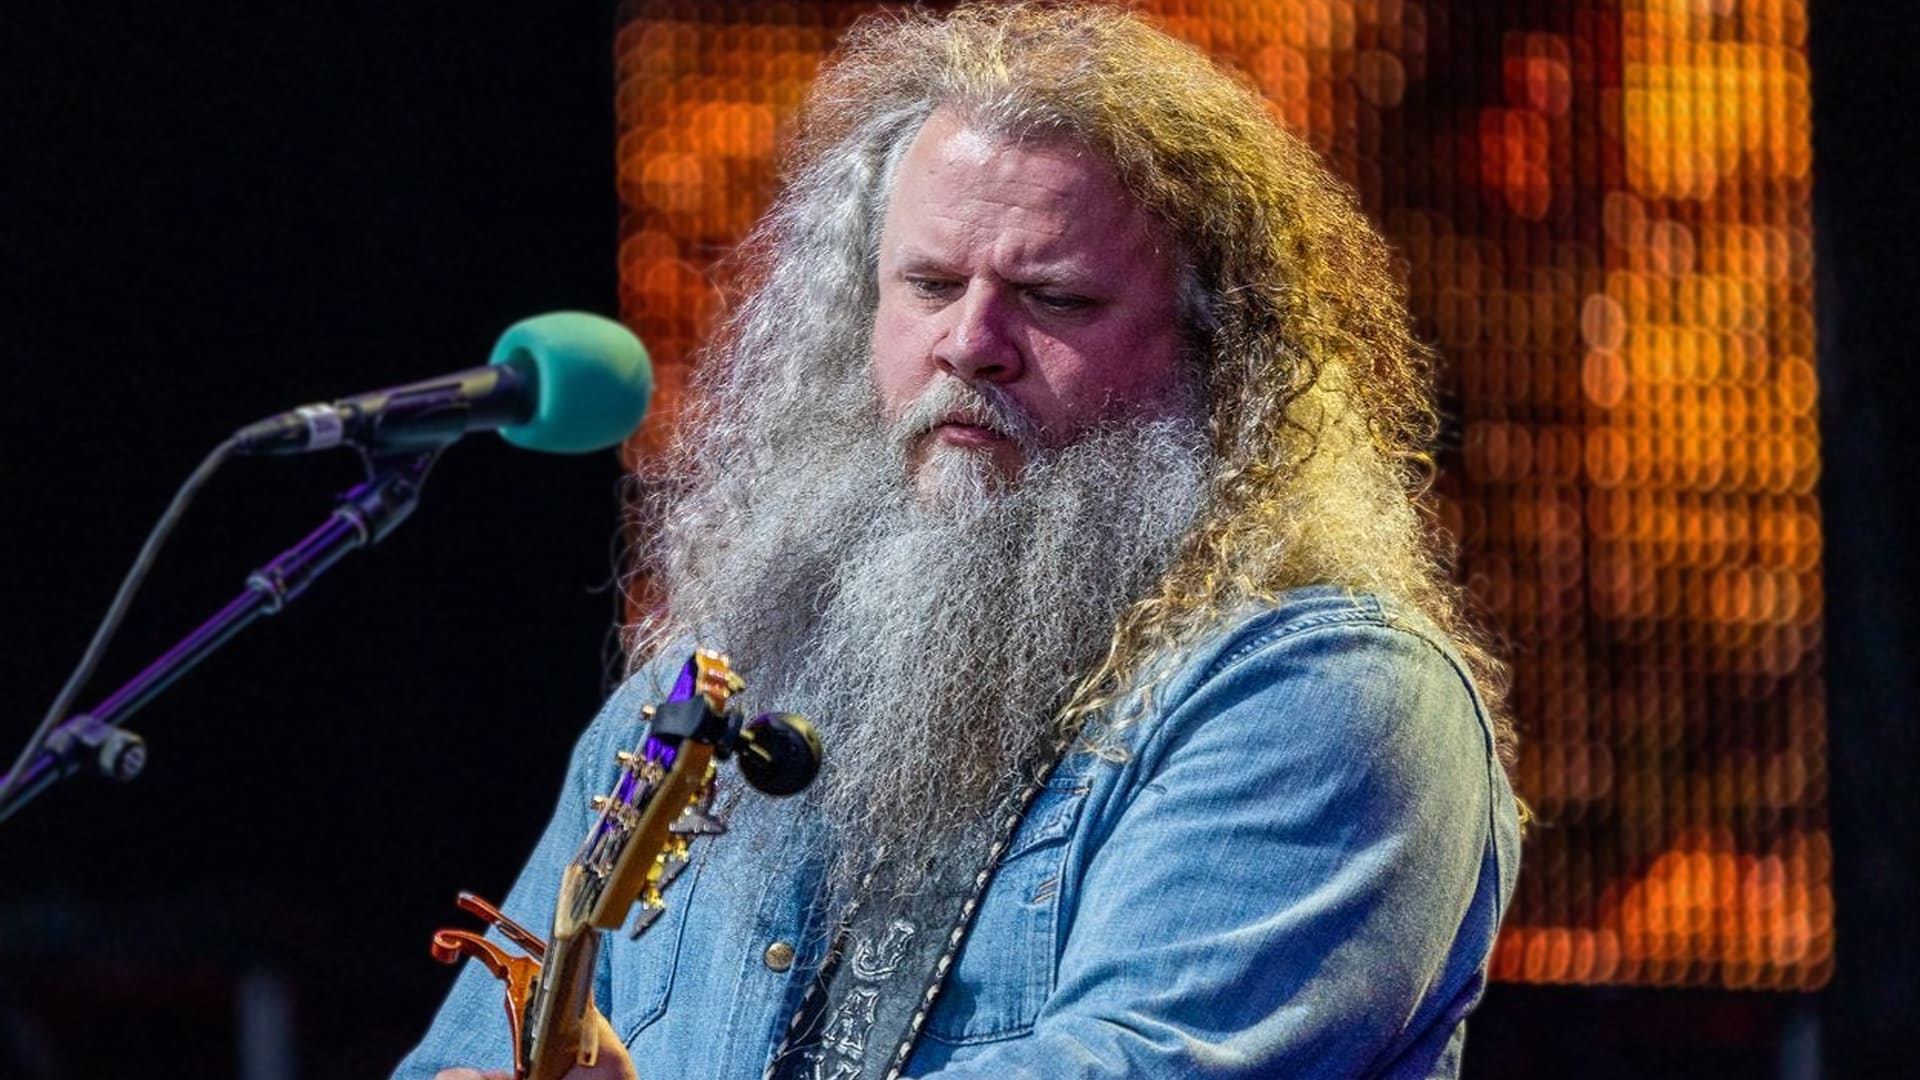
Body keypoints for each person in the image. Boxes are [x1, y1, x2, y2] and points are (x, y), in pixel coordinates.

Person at [400, 3, 1520, 1078]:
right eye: (930, 284)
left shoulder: (1326, 695)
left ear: (1220, 358)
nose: (970, 344)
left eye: (1056, 299)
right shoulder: (699, 694)